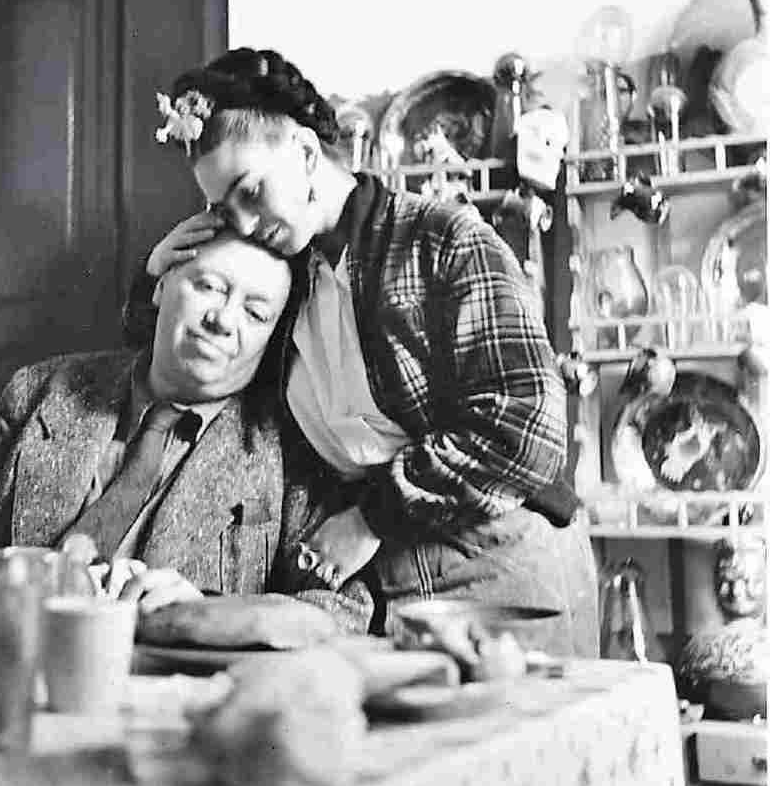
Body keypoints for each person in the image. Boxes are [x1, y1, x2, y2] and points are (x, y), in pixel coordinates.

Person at [133, 48, 599, 655]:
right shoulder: (285, 281)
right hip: (378, 589)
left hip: (503, 565)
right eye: (223, 209)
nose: (243, 224)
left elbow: (525, 428)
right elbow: (195, 369)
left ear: (304, 153)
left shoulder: (442, 238)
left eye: (250, 192)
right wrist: (155, 279)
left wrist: (373, 519)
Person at [0, 229, 371, 629]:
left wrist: (212, 616)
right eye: (208, 286)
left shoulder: (288, 445)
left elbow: (347, 611)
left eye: (255, 313)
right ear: (161, 286)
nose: (222, 320)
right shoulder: (42, 392)